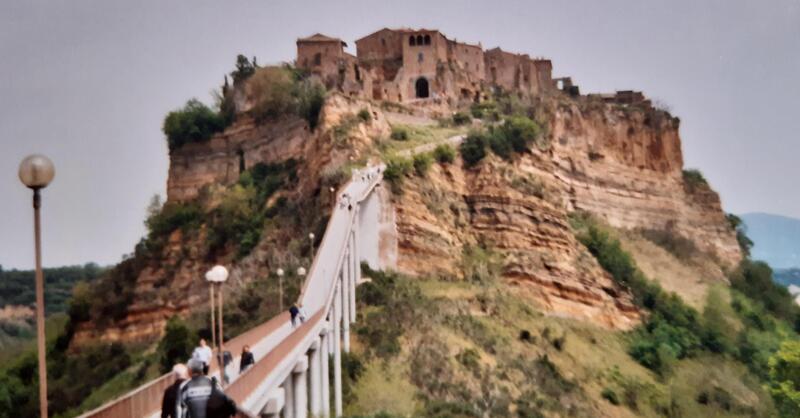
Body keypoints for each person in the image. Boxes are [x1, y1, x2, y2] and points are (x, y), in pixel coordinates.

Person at [176, 359, 250, 418]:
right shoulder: (212, 382)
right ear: (201, 370)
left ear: (189, 371)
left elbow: (179, 409)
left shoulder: (184, 386)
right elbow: (225, 399)